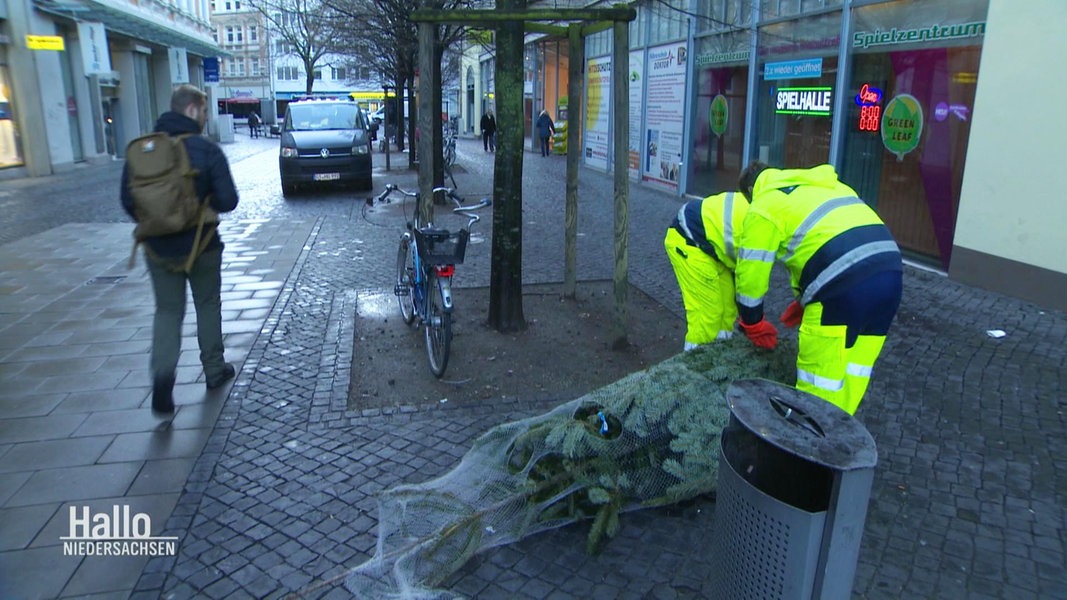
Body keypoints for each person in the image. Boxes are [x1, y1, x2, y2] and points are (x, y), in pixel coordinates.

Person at [733, 161, 903, 415]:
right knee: (853, 372)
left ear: (751, 190)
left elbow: (751, 273)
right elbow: (820, 240)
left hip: (840, 290)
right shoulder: (831, 186)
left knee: (818, 389)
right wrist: (806, 299)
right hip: (891, 274)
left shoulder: (765, 202)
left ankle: (807, 447)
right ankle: (842, 435)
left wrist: (752, 321)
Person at [121, 84, 240, 414]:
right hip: (202, 244)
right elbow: (229, 200)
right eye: (203, 111)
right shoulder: (205, 149)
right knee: (207, 304)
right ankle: (214, 371)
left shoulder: (144, 150)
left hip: (158, 249)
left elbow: (128, 200)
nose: (205, 117)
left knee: (167, 312)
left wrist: (160, 222)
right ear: (191, 110)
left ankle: (162, 382)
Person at [664, 191, 748, 351]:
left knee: (728, 306)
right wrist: (754, 319)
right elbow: (750, 276)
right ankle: (693, 367)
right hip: (688, 240)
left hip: (713, 247)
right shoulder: (764, 223)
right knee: (706, 314)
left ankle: (720, 353)